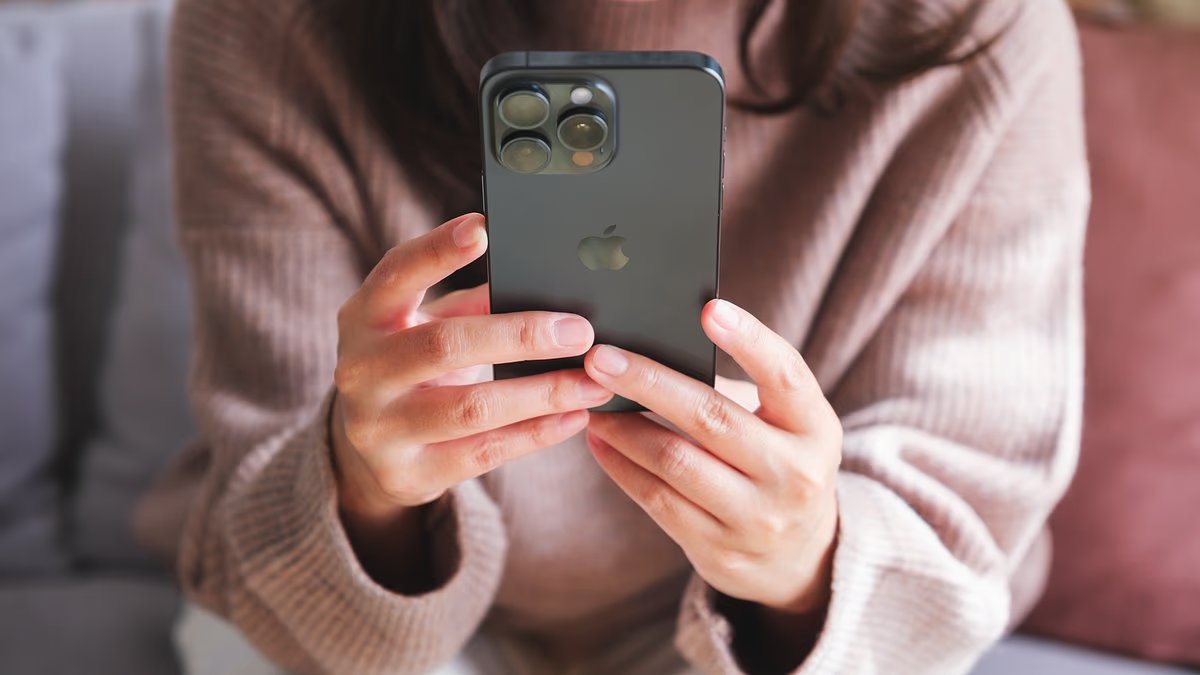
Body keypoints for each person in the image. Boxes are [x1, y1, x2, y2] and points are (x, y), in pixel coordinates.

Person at [141, 0, 1090, 672]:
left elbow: (962, 503)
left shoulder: (984, 31)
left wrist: (808, 562)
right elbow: (279, 557)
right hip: (387, 614)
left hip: (761, 636)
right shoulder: (270, 20)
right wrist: (361, 488)